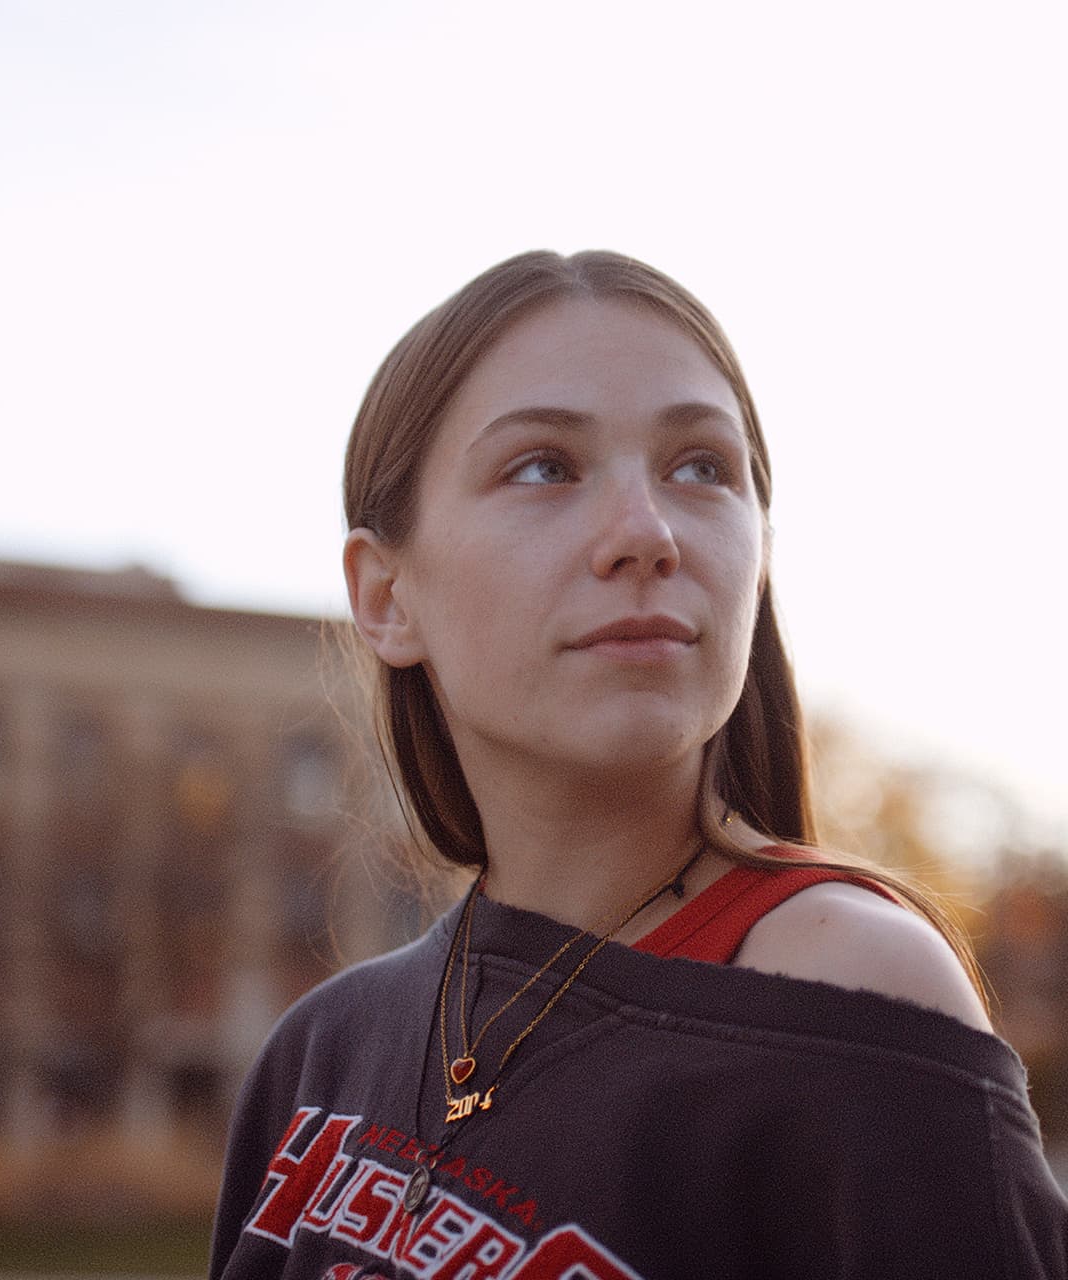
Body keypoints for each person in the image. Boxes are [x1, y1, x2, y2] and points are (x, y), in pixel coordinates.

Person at [209, 251, 1067, 1278]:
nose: (645, 534)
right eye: (544, 466)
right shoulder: (319, 1051)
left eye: (702, 466)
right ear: (386, 593)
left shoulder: (854, 993)